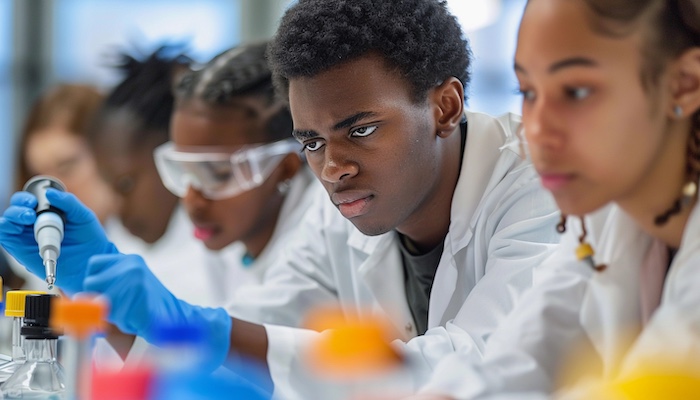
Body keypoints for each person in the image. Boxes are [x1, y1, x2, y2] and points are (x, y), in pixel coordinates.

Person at [0, 0, 561, 397]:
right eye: (312, 141)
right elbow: (237, 363)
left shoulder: (542, 189)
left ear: (444, 107)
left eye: (360, 129)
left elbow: (475, 369)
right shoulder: (339, 215)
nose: (333, 167)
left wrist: (203, 327)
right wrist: (100, 295)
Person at [407, 0, 700, 398]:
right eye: (527, 91)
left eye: (576, 91)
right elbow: (524, 353)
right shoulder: (602, 221)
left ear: (685, 84)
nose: (538, 129)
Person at [86, 46, 228, 308]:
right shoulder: (120, 237)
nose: (117, 206)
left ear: (176, 159)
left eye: (126, 184)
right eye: (109, 185)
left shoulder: (225, 239)